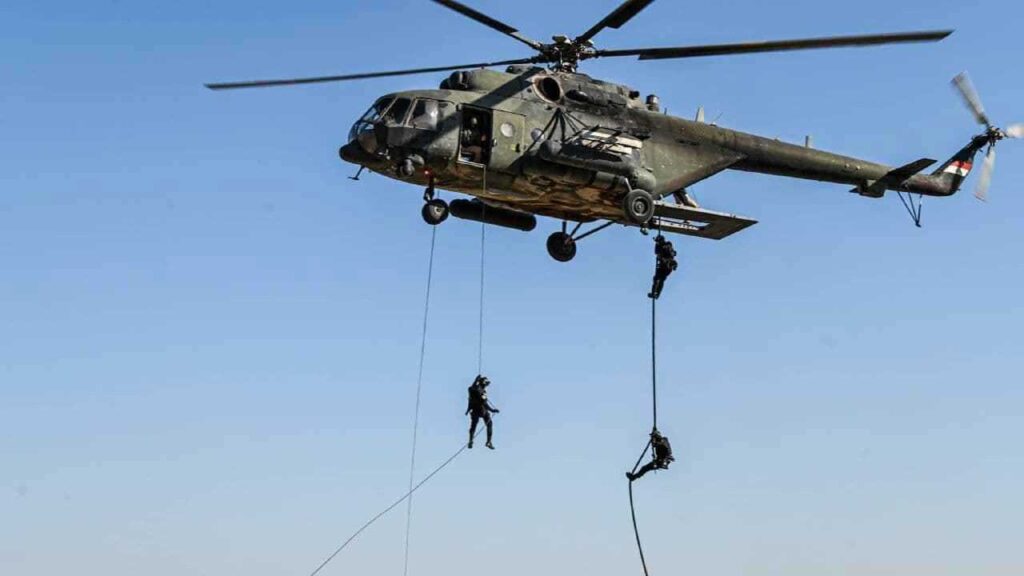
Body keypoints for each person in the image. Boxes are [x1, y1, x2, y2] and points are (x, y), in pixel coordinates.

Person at [466, 375, 499, 449]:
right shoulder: (477, 389)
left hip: (481, 411)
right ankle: (472, 441)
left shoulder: (482, 391)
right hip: (478, 410)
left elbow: (484, 402)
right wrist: (475, 381)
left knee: (486, 424)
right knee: (474, 426)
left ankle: (487, 441)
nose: (487, 385)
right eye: (486, 384)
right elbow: (472, 389)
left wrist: (492, 410)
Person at [648, 235, 678, 299]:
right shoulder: (658, 245)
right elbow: (656, 252)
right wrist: (657, 244)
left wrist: (673, 265)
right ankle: (653, 293)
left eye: (659, 241)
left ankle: (657, 294)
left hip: (667, 265)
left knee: (661, 280)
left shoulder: (668, 243)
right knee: (656, 279)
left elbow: (670, 250)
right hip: (661, 265)